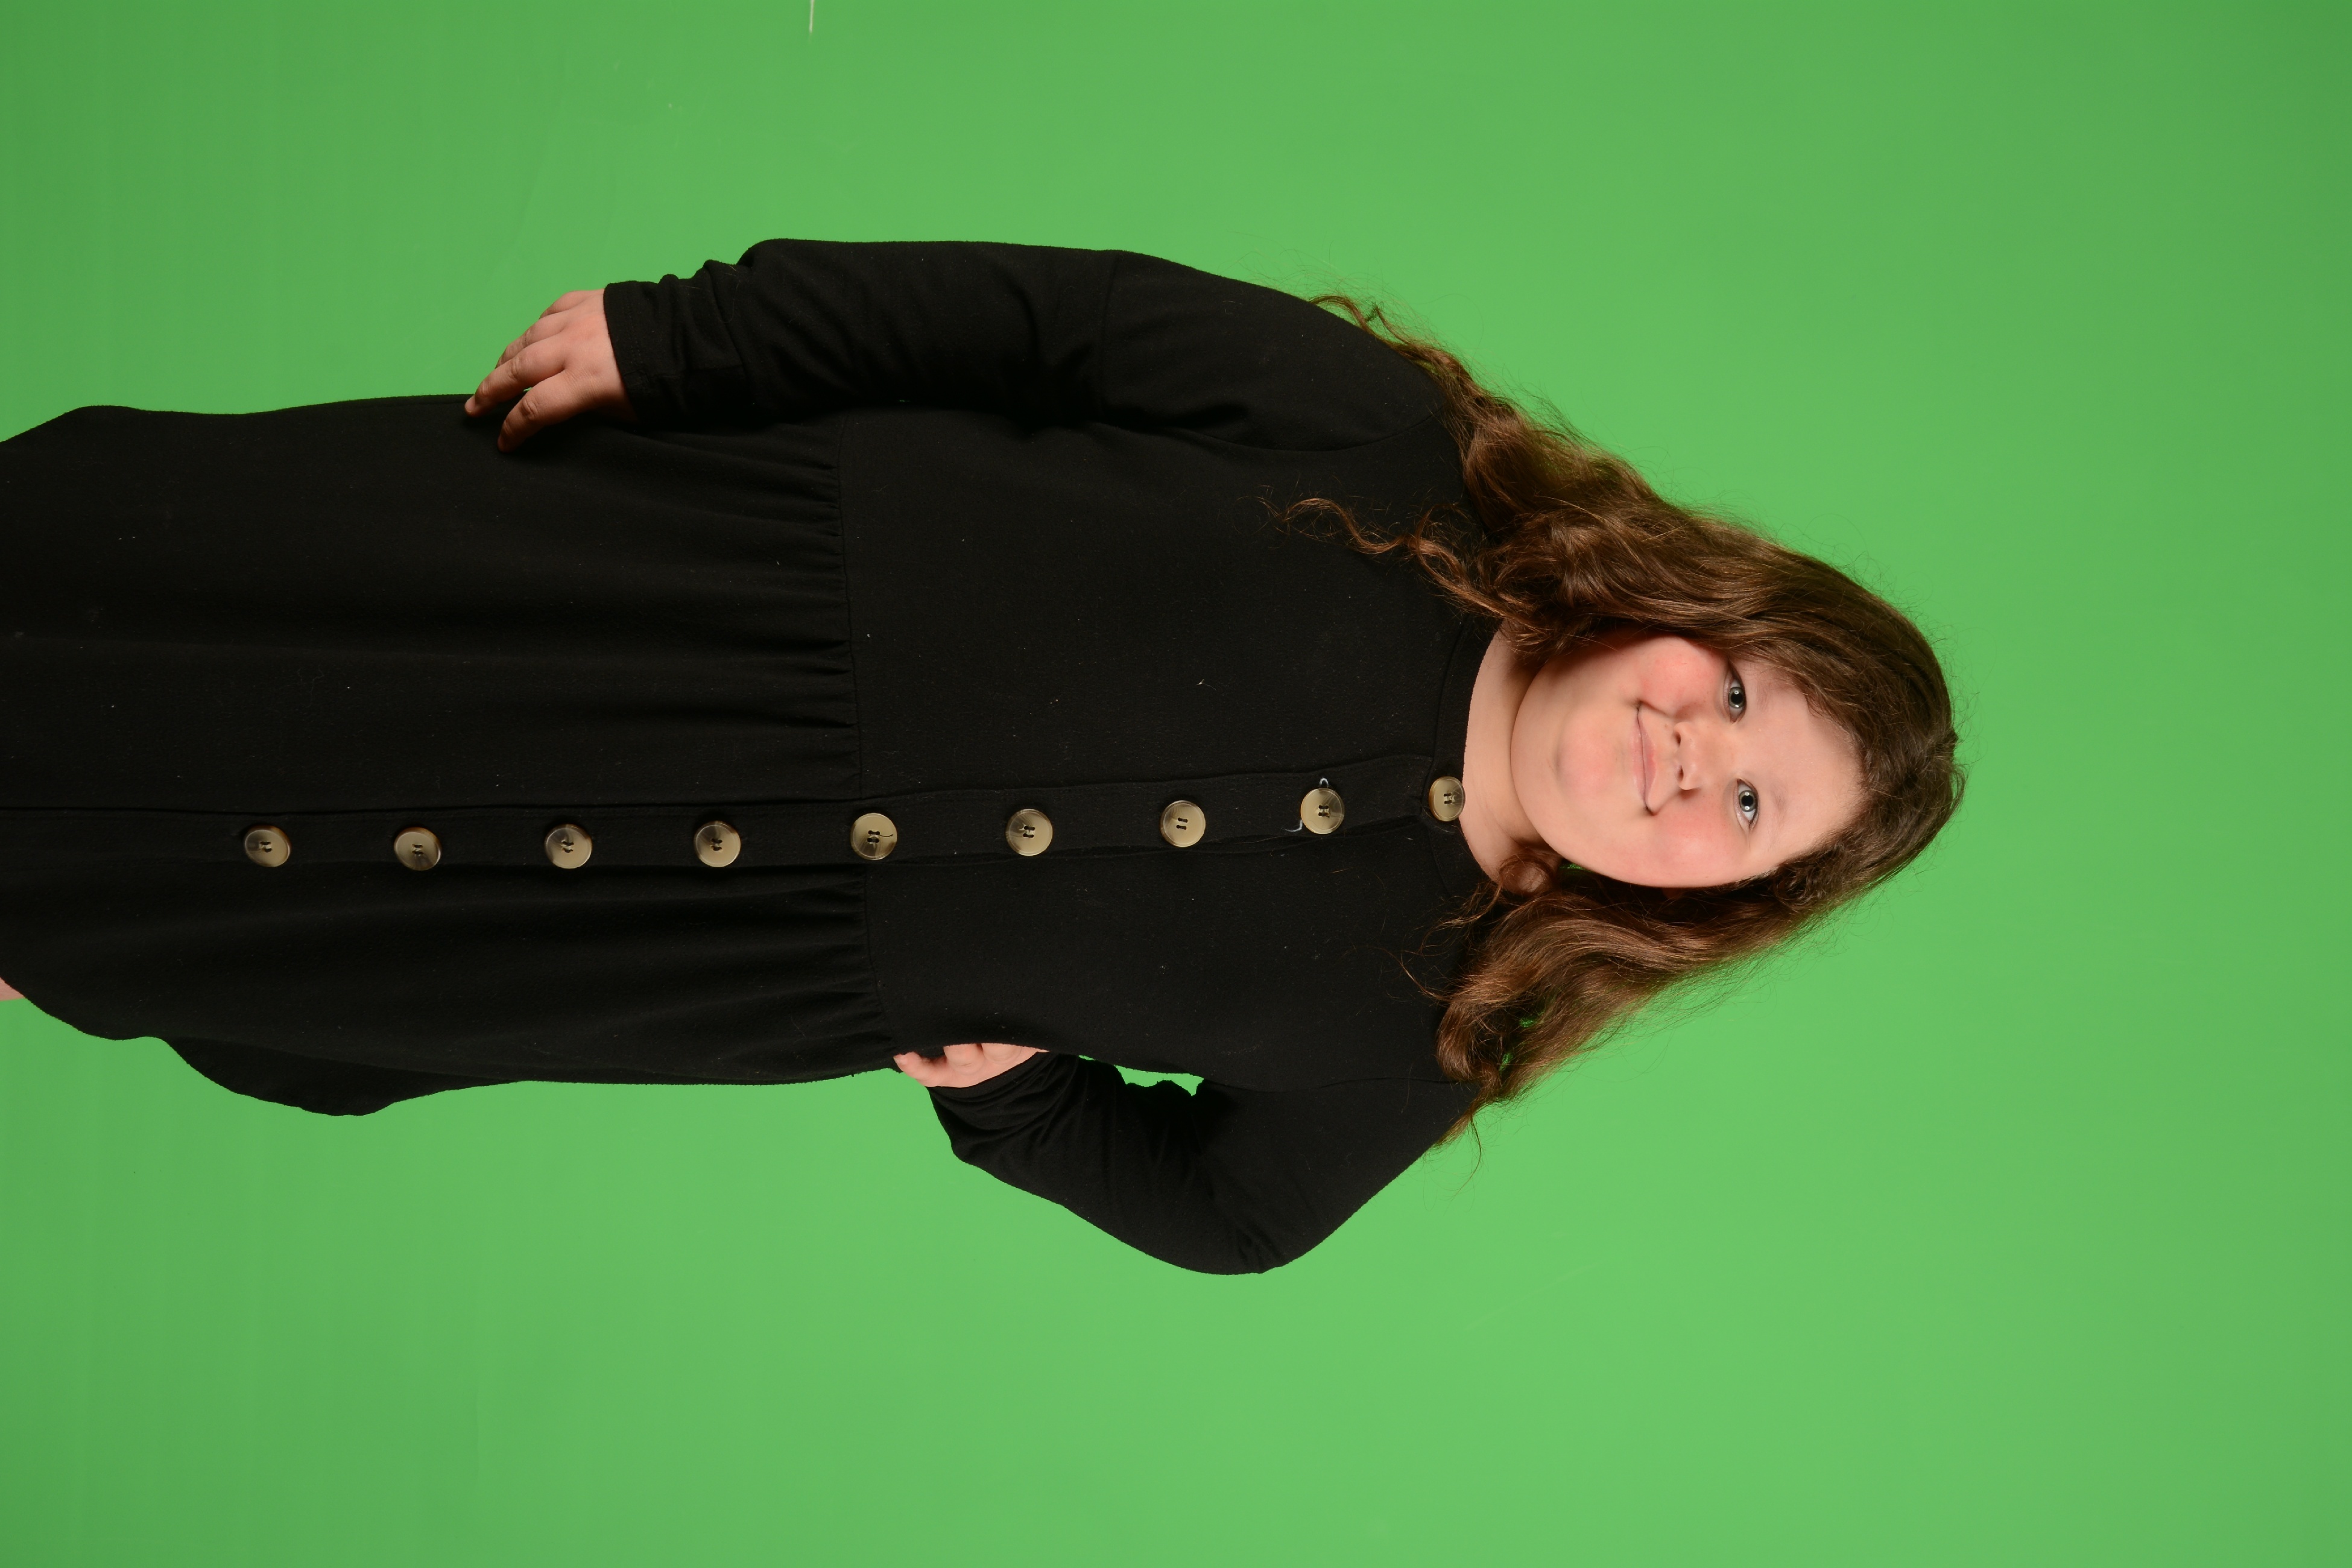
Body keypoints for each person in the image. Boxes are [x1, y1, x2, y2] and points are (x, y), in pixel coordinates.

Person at [0, 240, 1961, 1272]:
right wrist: (699, 337)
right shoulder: (1375, 443)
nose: (1687, 756)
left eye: (1746, 804)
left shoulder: (1435, 1017)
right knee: (171, 592)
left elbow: (1232, 1217)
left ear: (1727, 898)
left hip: (693, 945)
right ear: (1686, 601)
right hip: (657, 595)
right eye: (1731, 691)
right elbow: (1044, 322)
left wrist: (1025, 1105)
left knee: (174, 923)